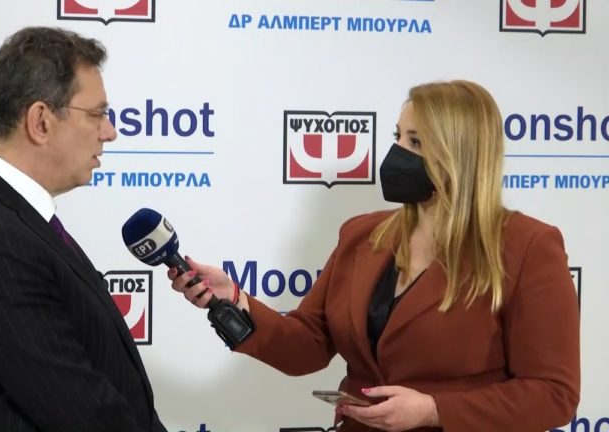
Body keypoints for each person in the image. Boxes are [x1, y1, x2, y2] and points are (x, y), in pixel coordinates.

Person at [169, 80, 580, 432]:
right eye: (397, 136)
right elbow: (307, 345)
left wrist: (433, 410)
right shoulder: (362, 235)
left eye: (415, 142)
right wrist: (234, 300)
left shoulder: (528, 246)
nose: (396, 152)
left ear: (459, 154)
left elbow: (553, 394)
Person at [0, 27, 167, 432]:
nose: (110, 132)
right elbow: (84, 413)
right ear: (41, 122)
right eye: (97, 114)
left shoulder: (8, 220)